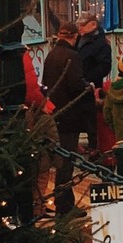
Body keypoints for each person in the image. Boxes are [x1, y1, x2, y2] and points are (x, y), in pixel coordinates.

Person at [40, 21, 93, 215]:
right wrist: (89, 87)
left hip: (54, 114)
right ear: (74, 36)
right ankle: (65, 204)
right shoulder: (72, 56)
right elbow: (76, 84)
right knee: (66, 162)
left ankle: (61, 200)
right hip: (70, 115)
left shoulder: (51, 55)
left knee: (59, 159)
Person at [77, 10, 113, 94]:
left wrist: (87, 79)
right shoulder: (80, 40)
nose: (80, 28)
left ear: (93, 24)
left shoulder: (101, 43)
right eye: (79, 25)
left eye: (83, 25)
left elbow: (104, 66)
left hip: (92, 87)